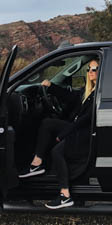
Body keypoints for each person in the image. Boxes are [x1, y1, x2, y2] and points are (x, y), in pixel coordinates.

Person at [19, 59, 99, 209]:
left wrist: (63, 135)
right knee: (48, 123)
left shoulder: (98, 95)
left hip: (84, 133)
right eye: (88, 69)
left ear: (101, 72)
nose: (90, 72)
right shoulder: (87, 91)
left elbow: (83, 121)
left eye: (94, 69)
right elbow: (70, 96)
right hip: (77, 128)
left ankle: (65, 195)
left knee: (57, 151)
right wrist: (51, 87)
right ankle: (37, 163)